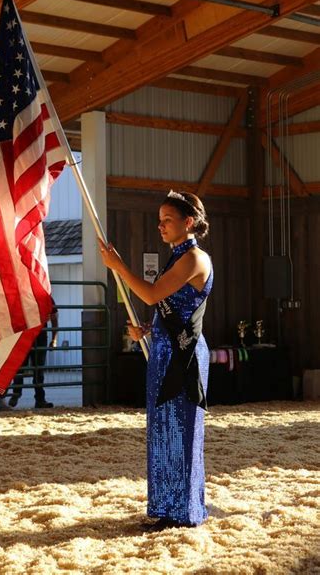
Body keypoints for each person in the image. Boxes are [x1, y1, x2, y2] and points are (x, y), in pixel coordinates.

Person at [99, 190, 213, 530]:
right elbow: (170, 308)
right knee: (162, 433)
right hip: (163, 353)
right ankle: (165, 509)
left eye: (167, 220)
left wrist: (120, 267)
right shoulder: (176, 257)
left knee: (183, 434)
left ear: (188, 222)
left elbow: (152, 294)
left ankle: (186, 511)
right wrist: (147, 329)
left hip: (184, 355)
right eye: (159, 220)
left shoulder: (194, 259)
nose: (160, 226)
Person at [7, 297, 58, 409]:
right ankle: (18, 393)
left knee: (37, 370)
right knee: (21, 368)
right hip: (24, 337)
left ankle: (38, 399)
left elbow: (54, 317)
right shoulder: (22, 296)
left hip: (38, 337)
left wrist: (54, 339)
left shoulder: (46, 298)